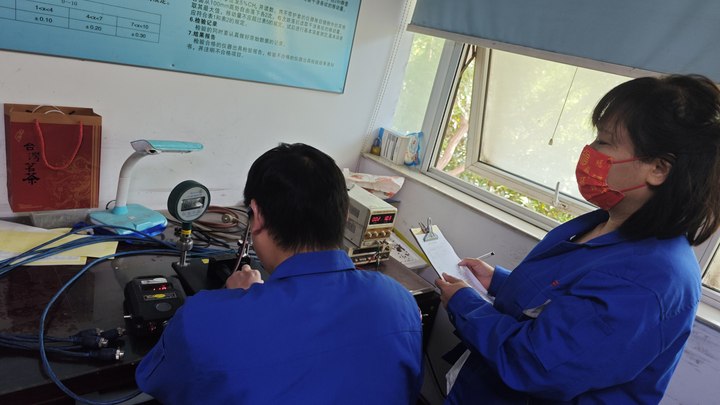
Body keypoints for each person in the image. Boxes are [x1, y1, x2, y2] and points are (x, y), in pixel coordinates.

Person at [435, 74, 720, 404]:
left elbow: (533, 363)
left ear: (658, 168)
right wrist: (498, 282)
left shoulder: (650, 279)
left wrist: (465, 304)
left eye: (605, 142)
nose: (590, 152)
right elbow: (564, 301)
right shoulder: (604, 224)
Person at [136, 143, 423, 404]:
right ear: (345, 216)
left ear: (257, 216)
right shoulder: (399, 302)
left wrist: (234, 305)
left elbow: (154, 380)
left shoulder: (202, 319)